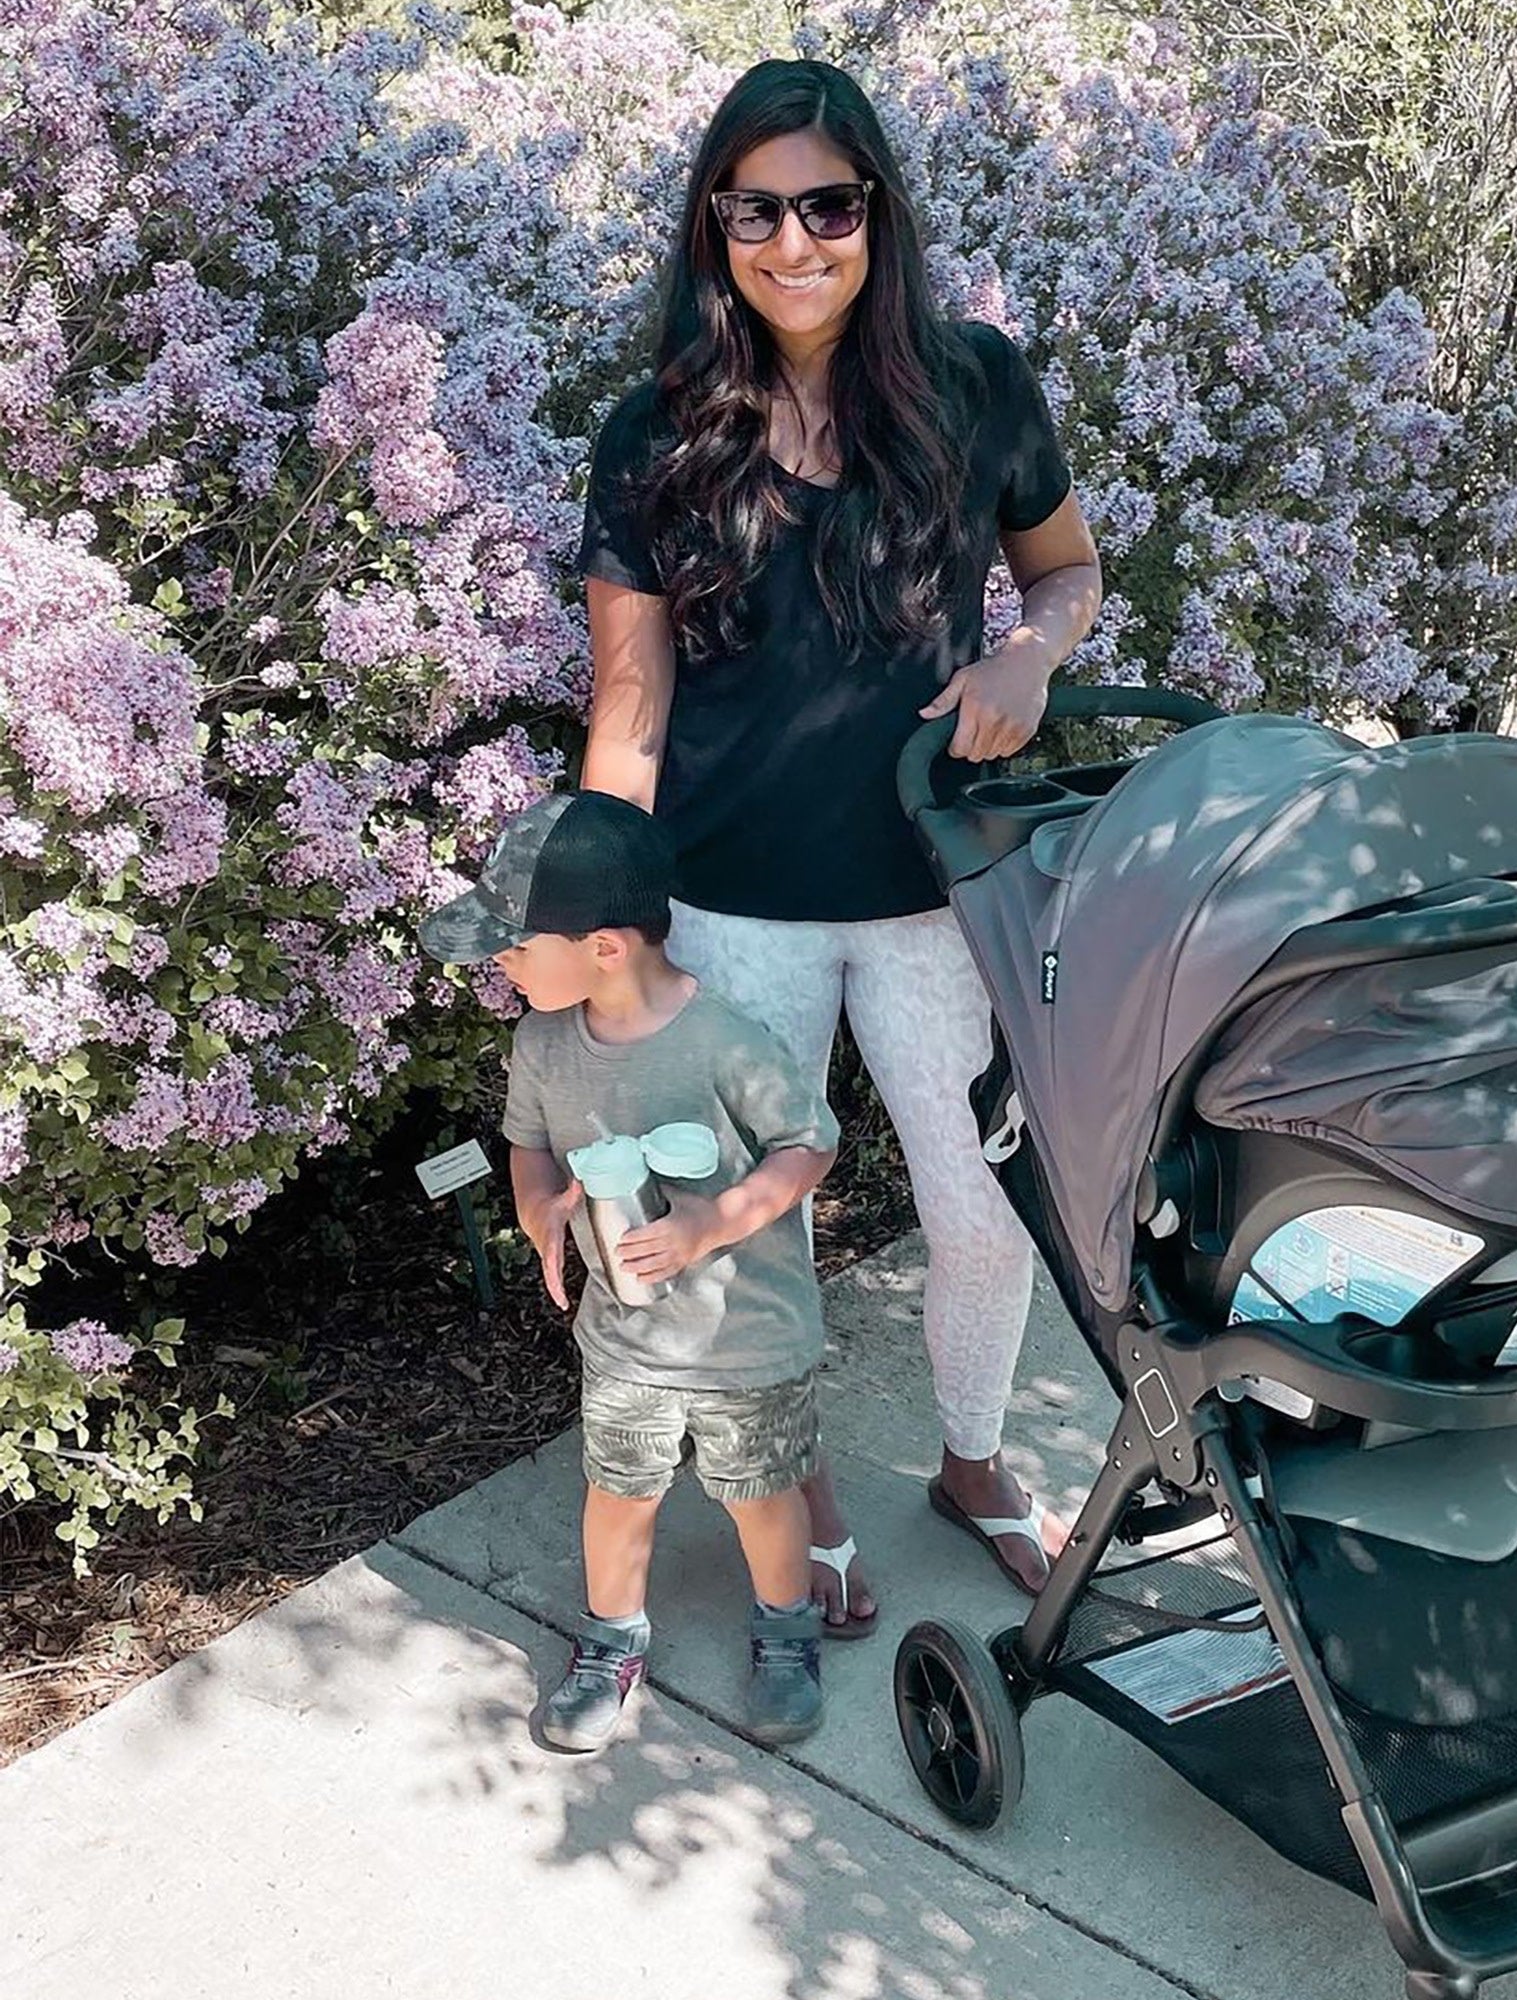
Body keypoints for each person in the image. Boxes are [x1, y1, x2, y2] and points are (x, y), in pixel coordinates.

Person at [575, 58, 1104, 1614]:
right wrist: (611, 931)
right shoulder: (653, 432)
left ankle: (973, 1459)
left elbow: (1066, 574)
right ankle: (797, 1490)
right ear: (713, 224)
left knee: (986, 1211)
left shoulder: (975, 384)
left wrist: (1030, 651)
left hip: (936, 892)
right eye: (759, 208)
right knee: (757, 1236)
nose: (795, 239)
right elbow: (630, 702)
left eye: (828, 203)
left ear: (875, 212)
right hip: (736, 907)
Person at [419, 789, 841, 1753]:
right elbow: (528, 1146)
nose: (502, 961)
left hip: (748, 1335)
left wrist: (713, 1225)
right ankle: (612, 1643)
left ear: (604, 946)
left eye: (516, 944)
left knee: (762, 1494)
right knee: (619, 1490)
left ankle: (786, 1629)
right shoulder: (541, 1043)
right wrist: (541, 1211)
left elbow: (807, 1145)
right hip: (625, 1335)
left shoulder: (723, 1039)